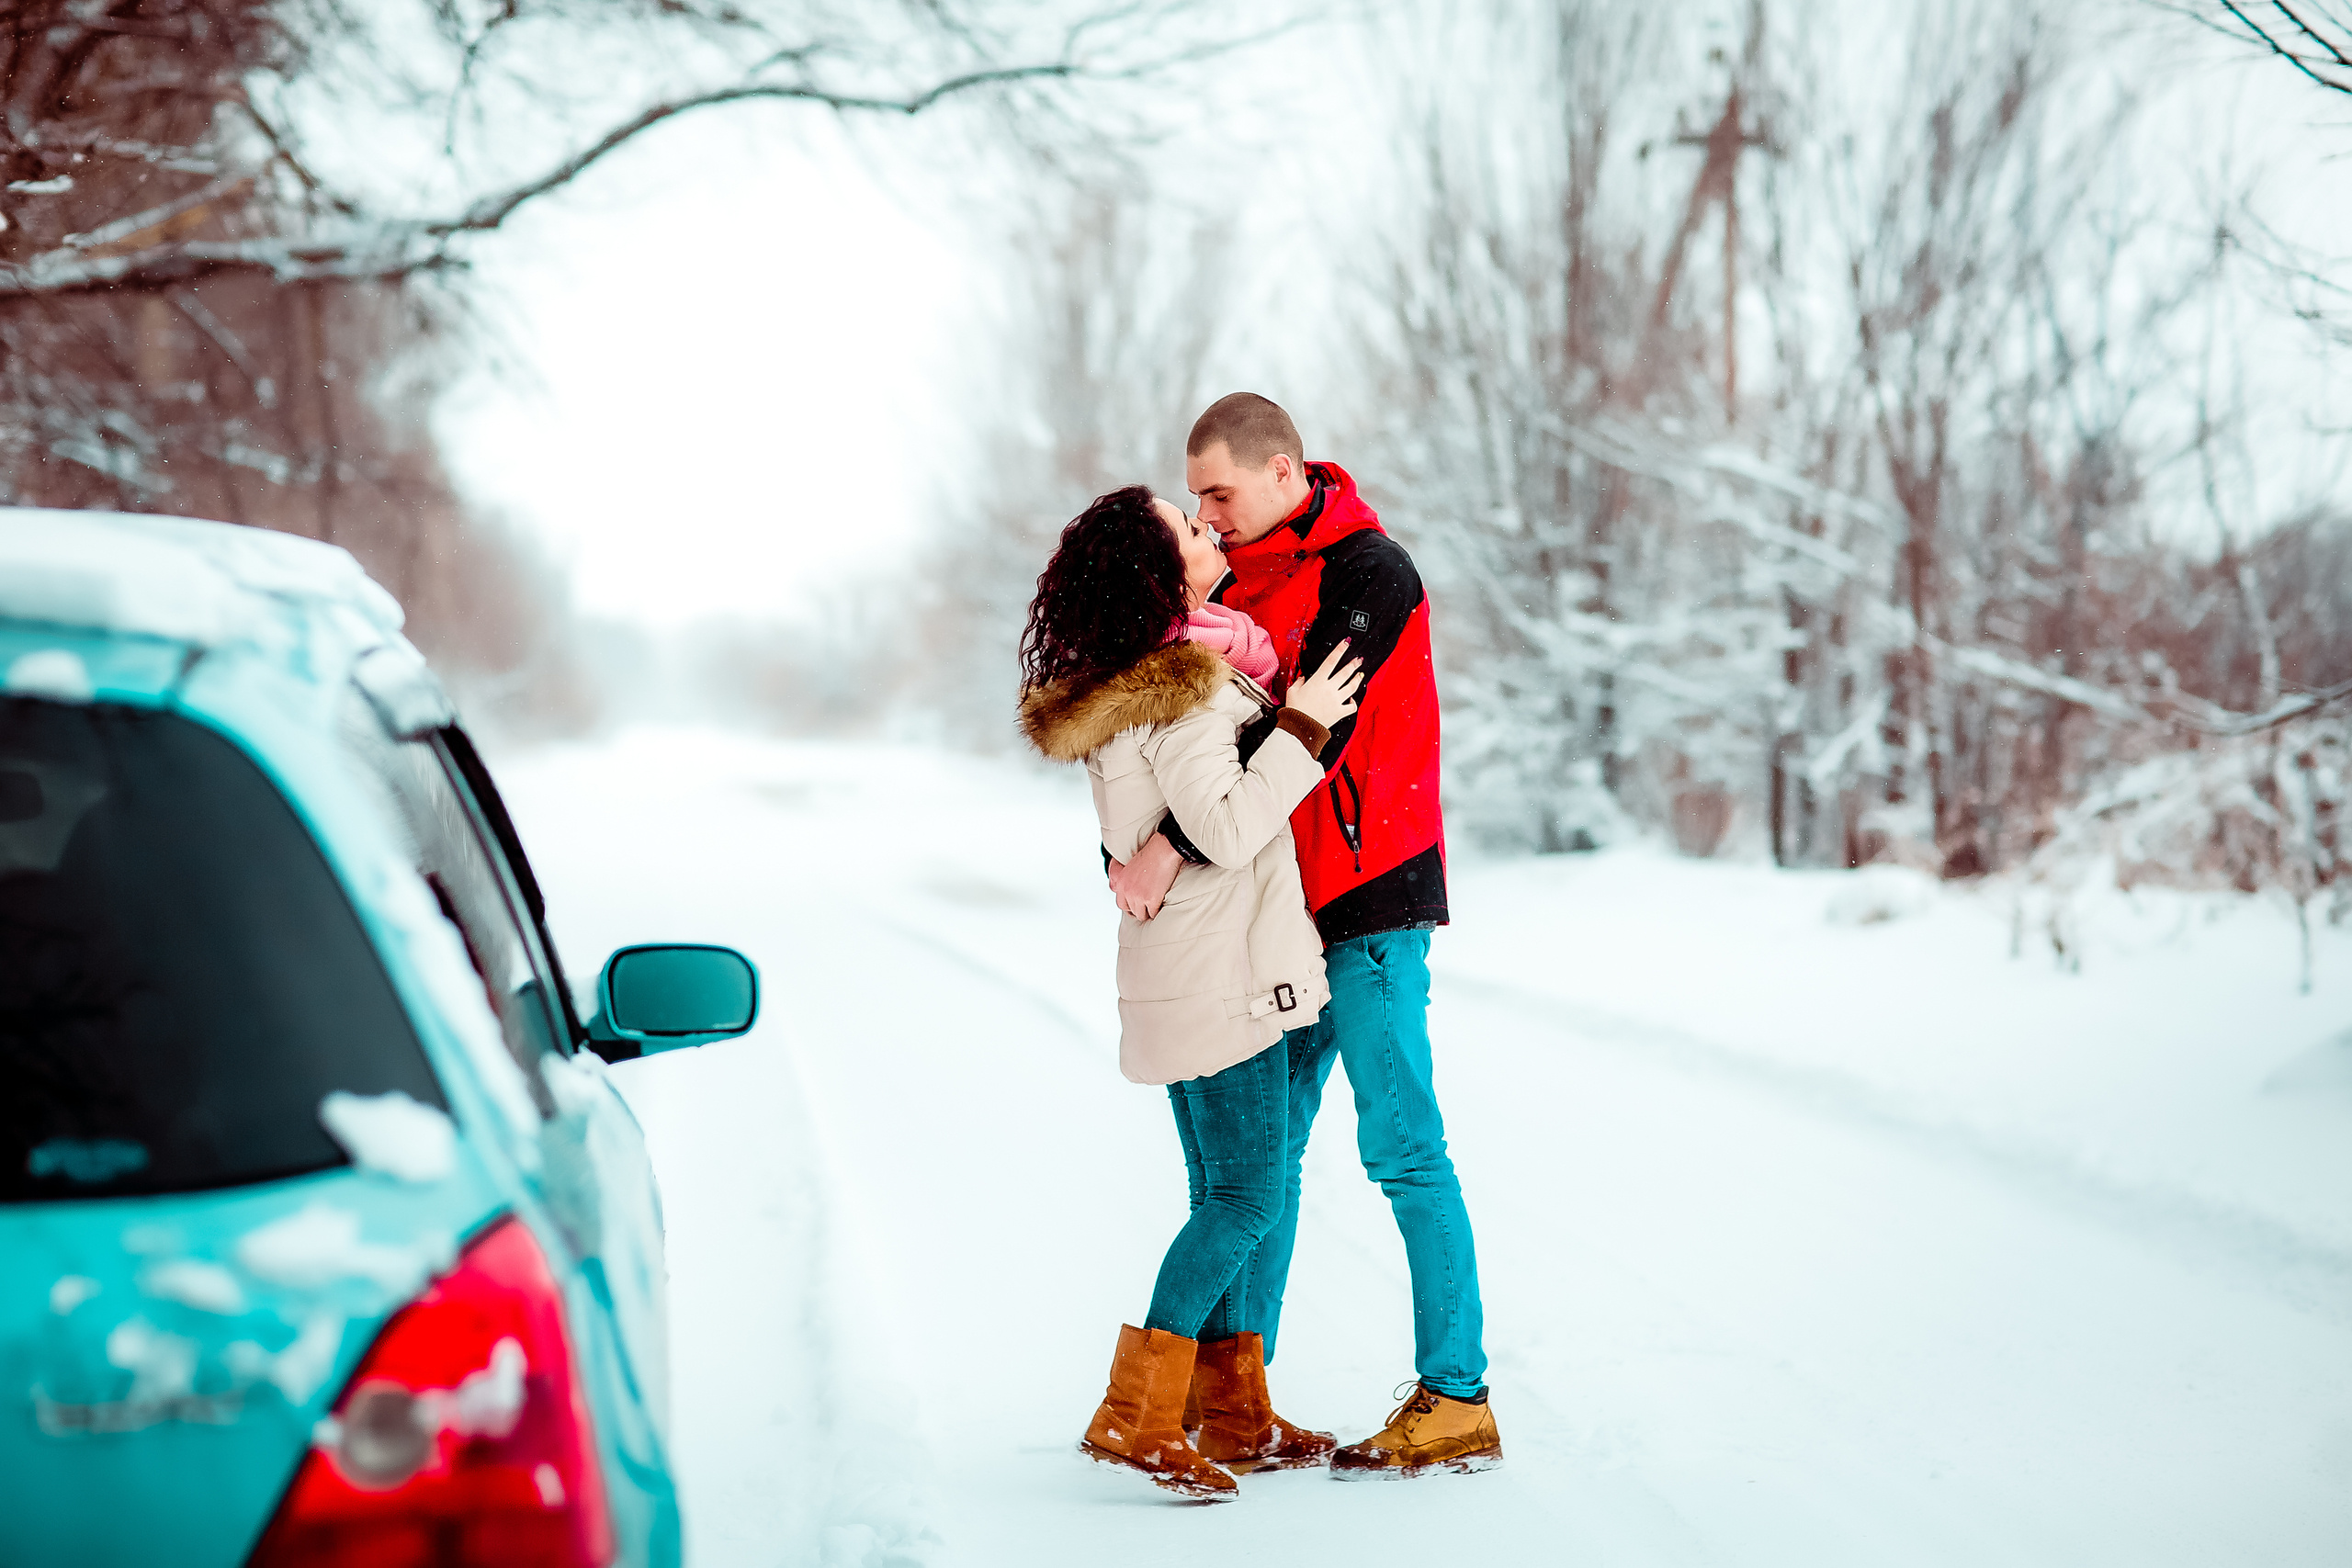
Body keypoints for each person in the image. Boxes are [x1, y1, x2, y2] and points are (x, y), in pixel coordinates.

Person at [1107, 393, 1503, 1479]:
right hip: (1269, 914)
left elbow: (1303, 743)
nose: (1210, 517)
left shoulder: (1369, 572)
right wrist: (1128, 834)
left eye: (1220, 494)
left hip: (1369, 900)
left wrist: (1167, 851)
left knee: (1401, 1146)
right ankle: (1238, 1396)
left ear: (1284, 474)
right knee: (1259, 1165)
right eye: (1196, 504)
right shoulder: (1236, 585)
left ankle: (1456, 1393)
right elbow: (1188, 735)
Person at [1017, 484, 1365, 1502]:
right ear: (1160, 575)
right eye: (1188, 525)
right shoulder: (1187, 687)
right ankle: (1137, 1416)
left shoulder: (1164, 681)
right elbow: (1219, 826)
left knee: (1226, 1195)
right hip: (1224, 981)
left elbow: (1160, 829)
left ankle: (1233, 1416)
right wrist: (1302, 728)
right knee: (1249, 1196)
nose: (1210, 528)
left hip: (1205, 969)